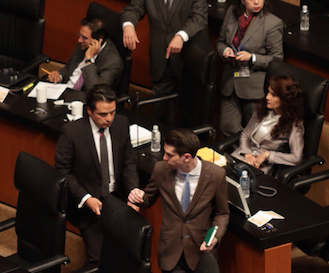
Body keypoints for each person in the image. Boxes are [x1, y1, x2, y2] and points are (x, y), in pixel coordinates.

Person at [54, 84, 138, 266]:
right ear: (89, 111)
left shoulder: (122, 124)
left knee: (130, 253)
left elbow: (128, 162)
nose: (109, 119)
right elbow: (62, 171)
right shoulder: (72, 133)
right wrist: (86, 198)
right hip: (88, 205)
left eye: (112, 112)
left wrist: (133, 192)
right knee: (99, 260)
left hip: (117, 200)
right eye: (103, 114)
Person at [128, 128, 229, 272]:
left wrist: (215, 236)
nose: (164, 158)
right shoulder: (161, 169)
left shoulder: (216, 175)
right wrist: (137, 195)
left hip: (200, 253)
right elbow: (147, 199)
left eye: (169, 155)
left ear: (186, 157)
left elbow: (222, 213)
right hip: (171, 253)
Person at [120, 0, 208, 95]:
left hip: (187, 61)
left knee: (187, 110)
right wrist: (128, 25)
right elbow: (133, 10)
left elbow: (198, 18)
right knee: (161, 111)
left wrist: (181, 36)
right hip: (161, 60)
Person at [217, 0, 283, 137]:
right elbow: (220, 42)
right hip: (230, 83)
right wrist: (225, 51)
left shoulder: (272, 23)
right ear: (242, 0)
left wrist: (252, 57)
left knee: (253, 133)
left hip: (254, 88)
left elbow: (277, 60)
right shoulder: (232, 13)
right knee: (228, 127)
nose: (256, 2)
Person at [231, 75, 304, 175]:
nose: (267, 97)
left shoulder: (294, 125)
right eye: (268, 92)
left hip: (261, 168)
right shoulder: (262, 110)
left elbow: (296, 158)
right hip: (241, 157)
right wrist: (247, 153)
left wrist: (268, 155)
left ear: (285, 99)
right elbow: (245, 134)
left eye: (273, 95)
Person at [47, 16, 123, 93]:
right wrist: (59, 76)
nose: (79, 40)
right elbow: (69, 67)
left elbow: (95, 92)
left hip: (83, 99)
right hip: (64, 90)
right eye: (79, 35)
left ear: (99, 39)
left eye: (84, 38)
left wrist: (89, 59)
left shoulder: (112, 62)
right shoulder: (83, 44)